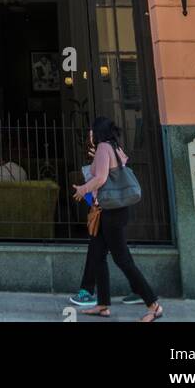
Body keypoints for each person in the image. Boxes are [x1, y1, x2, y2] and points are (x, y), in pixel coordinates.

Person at [71, 116, 162, 322]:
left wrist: (83, 189)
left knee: (122, 259)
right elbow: (120, 166)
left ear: (98, 132)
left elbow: (102, 177)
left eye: (92, 130)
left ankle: (153, 304)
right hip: (109, 210)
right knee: (98, 255)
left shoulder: (104, 147)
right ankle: (103, 305)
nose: (90, 134)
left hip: (111, 212)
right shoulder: (114, 147)